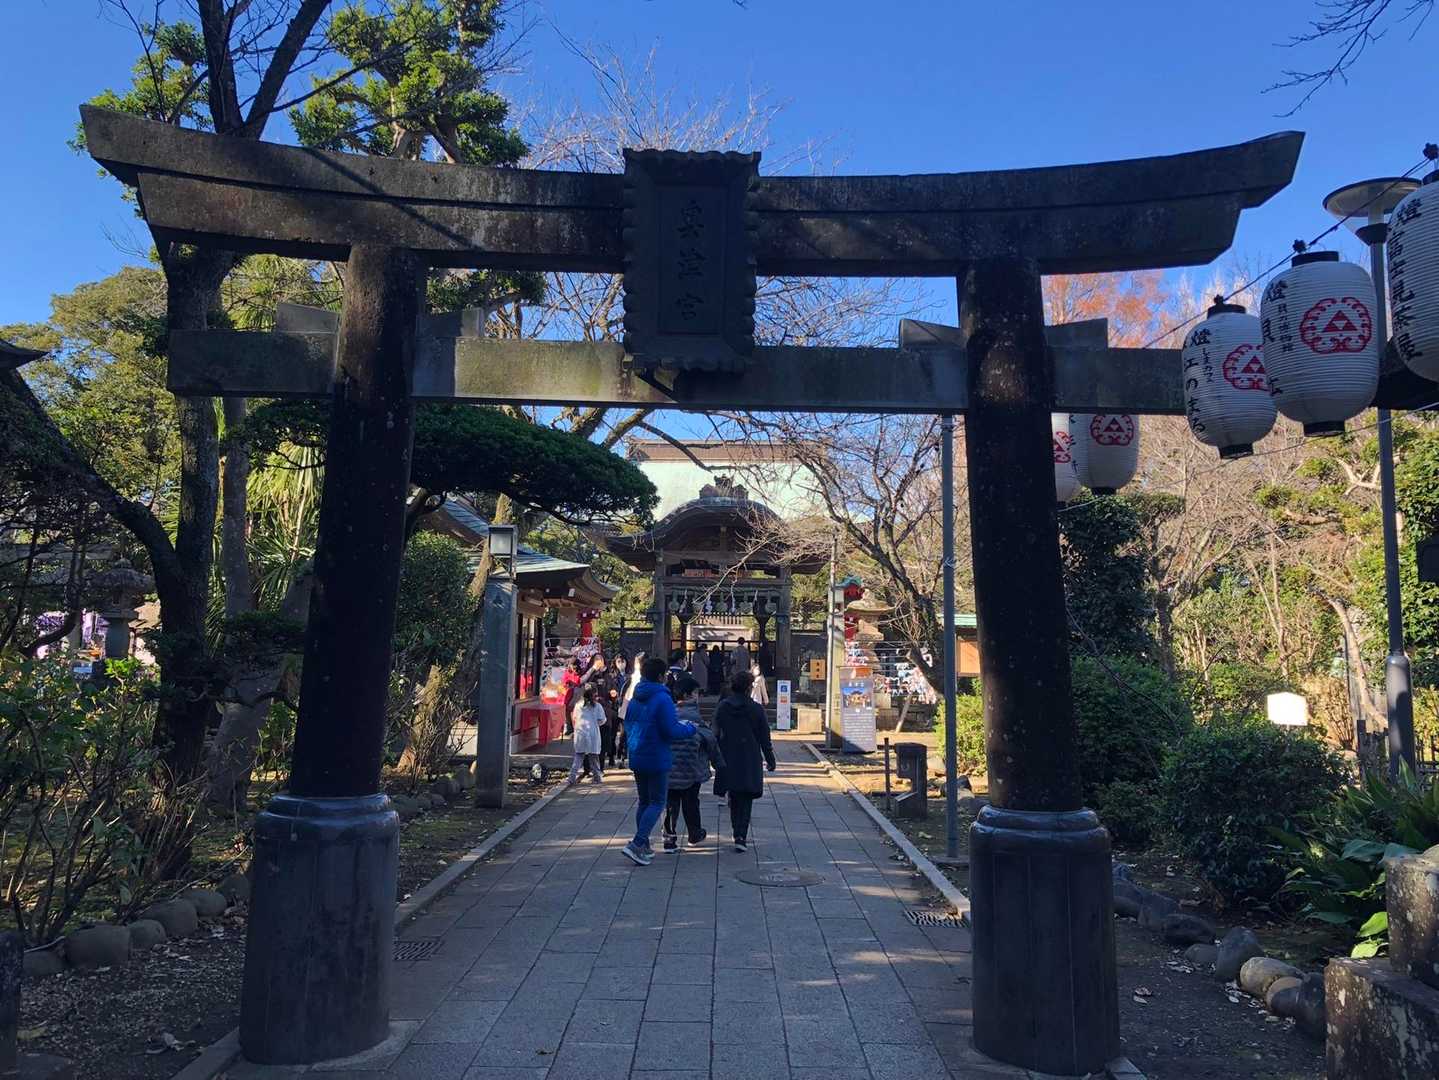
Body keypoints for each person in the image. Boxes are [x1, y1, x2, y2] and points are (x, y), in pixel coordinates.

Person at [620, 656, 697, 865]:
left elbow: (628, 724)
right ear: (661, 676)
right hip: (656, 755)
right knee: (657, 802)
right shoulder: (662, 698)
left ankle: (643, 845)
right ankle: (637, 843)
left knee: (644, 801)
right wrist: (690, 728)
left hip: (637, 752)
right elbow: (670, 730)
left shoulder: (636, 696)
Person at [713, 669, 776, 853]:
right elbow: (764, 737)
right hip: (750, 755)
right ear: (749, 688)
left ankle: (736, 832)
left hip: (728, 755)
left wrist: (713, 756)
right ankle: (741, 834)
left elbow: (715, 732)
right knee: (746, 796)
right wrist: (770, 758)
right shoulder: (756, 709)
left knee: (734, 794)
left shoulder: (723, 707)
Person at [661, 676, 724, 852]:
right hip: (691, 767)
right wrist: (718, 762)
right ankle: (694, 833)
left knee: (670, 804)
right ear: (687, 695)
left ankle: (669, 839)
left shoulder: (669, 714)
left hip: (668, 767)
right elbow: (710, 739)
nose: (698, 696)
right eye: (695, 693)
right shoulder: (694, 716)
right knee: (691, 802)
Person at [568, 685, 606, 784]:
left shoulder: (578, 705)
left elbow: (574, 718)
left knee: (579, 756)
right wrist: (595, 723)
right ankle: (597, 777)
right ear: (594, 694)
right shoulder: (597, 706)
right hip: (592, 733)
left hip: (580, 732)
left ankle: (572, 777)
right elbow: (602, 720)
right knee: (594, 757)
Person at [602, 652, 628, 769]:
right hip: (614, 707)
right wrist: (611, 695)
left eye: (623, 661)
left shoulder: (630, 676)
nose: (621, 664)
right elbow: (608, 691)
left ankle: (622, 756)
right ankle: (611, 755)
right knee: (612, 734)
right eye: (619, 662)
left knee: (624, 734)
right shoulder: (611, 676)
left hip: (626, 706)